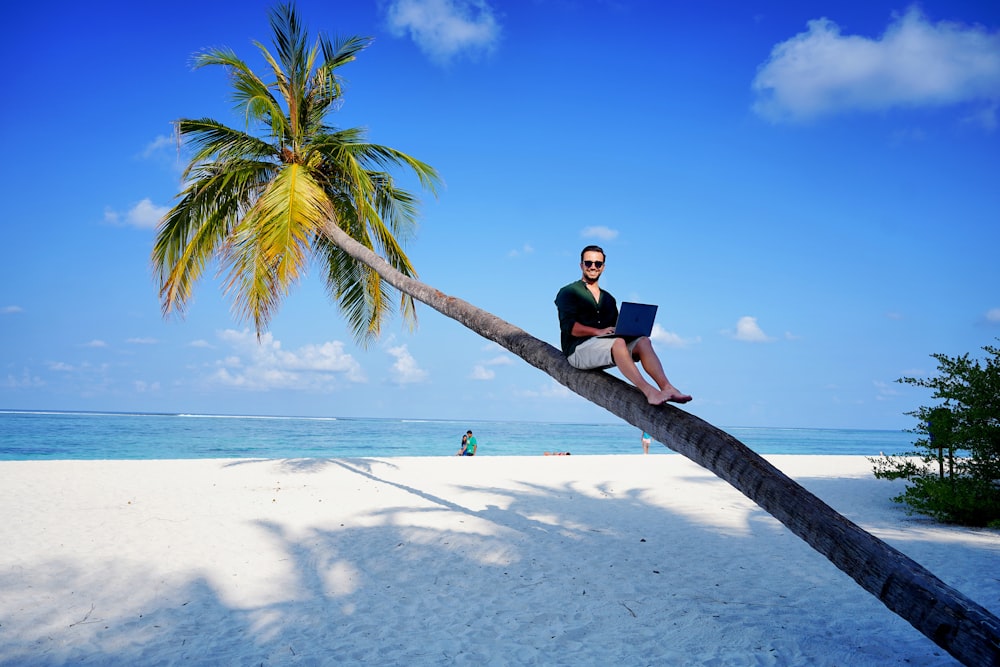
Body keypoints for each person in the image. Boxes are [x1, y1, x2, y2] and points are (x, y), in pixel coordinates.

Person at [555, 245, 691, 405]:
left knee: (643, 341)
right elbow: (569, 328)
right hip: (578, 351)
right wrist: (598, 331)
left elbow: (617, 329)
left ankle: (667, 387)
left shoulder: (609, 299)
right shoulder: (569, 292)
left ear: (603, 268)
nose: (593, 267)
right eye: (588, 263)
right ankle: (649, 392)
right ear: (581, 265)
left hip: (605, 347)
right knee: (618, 342)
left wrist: (631, 332)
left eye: (597, 264)